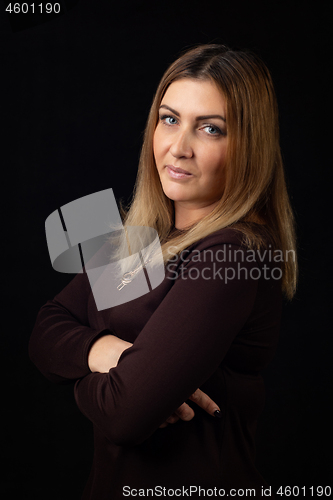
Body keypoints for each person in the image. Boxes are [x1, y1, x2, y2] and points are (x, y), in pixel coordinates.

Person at [29, 44, 297, 499]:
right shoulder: (140, 235)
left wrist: (94, 377)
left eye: (211, 129)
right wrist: (105, 352)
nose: (179, 147)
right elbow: (44, 331)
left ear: (249, 147)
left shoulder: (234, 255)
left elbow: (125, 415)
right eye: (169, 119)